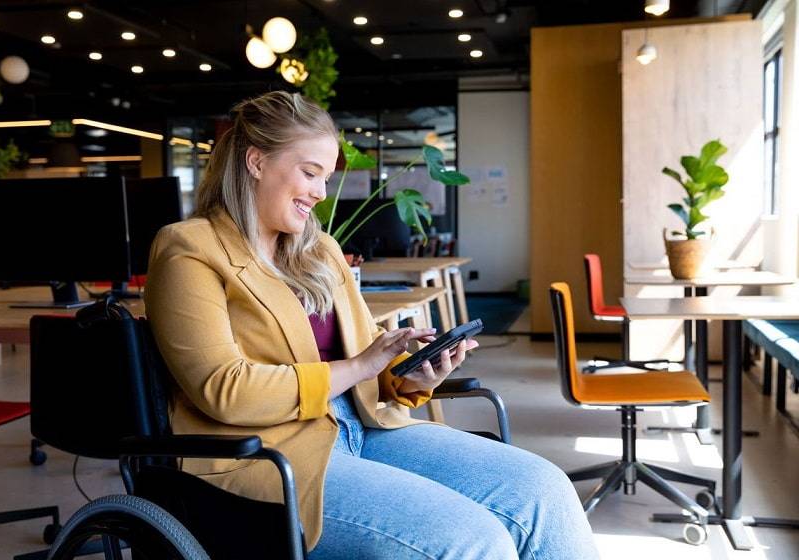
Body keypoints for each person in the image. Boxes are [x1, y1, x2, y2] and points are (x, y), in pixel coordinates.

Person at [145, 91, 599, 560]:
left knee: (545, 490)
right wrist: (360, 367)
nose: (321, 193)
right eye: (310, 173)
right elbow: (225, 389)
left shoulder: (317, 251)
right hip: (270, 456)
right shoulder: (190, 249)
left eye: (326, 177)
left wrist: (409, 376)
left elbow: (371, 364)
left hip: (364, 429)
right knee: (471, 540)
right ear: (257, 162)